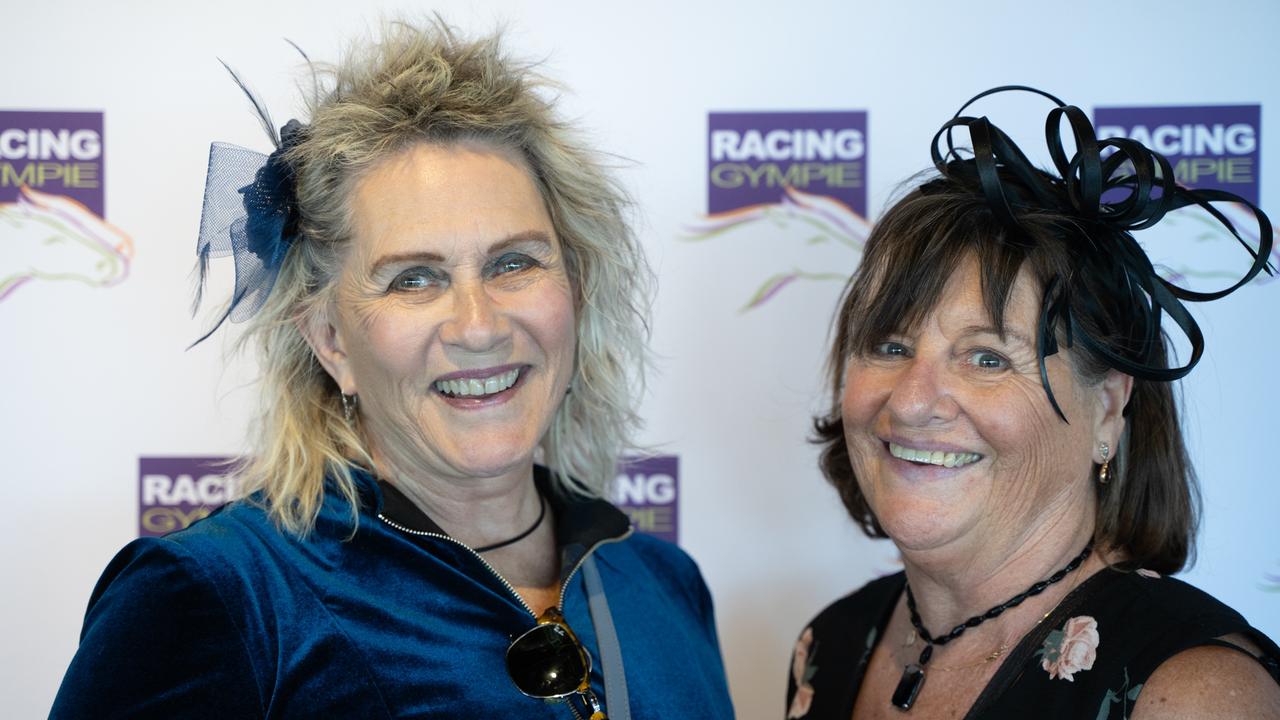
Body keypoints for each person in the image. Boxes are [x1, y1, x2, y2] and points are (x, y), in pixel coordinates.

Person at [52, 20, 733, 719]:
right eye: (414, 279)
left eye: (514, 262)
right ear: (330, 340)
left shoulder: (664, 583)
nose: (479, 325)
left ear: (577, 289)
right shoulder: (219, 596)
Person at [786, 87, 1280, 719]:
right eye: (888, 345)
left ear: (1107, 411)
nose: (911, 402)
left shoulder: (1189, 692)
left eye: (988, 357)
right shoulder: (831, 641)